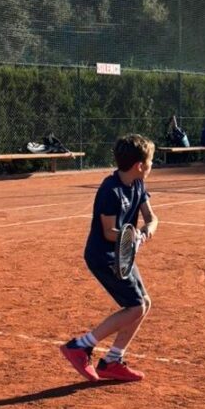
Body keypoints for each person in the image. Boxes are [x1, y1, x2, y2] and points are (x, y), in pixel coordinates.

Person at [60, 134, 159, 382]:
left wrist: (145, 231)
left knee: (144, 303)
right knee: (135, 306)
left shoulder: (137, 184)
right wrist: (131, 238)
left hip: (123, 254)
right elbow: (108, 232)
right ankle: (80, 346)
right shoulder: (110, 191)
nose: (152, 165)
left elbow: (152, 218)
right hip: (103, 255)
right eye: (150, 161)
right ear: (139, 165)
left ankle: (112, 361)